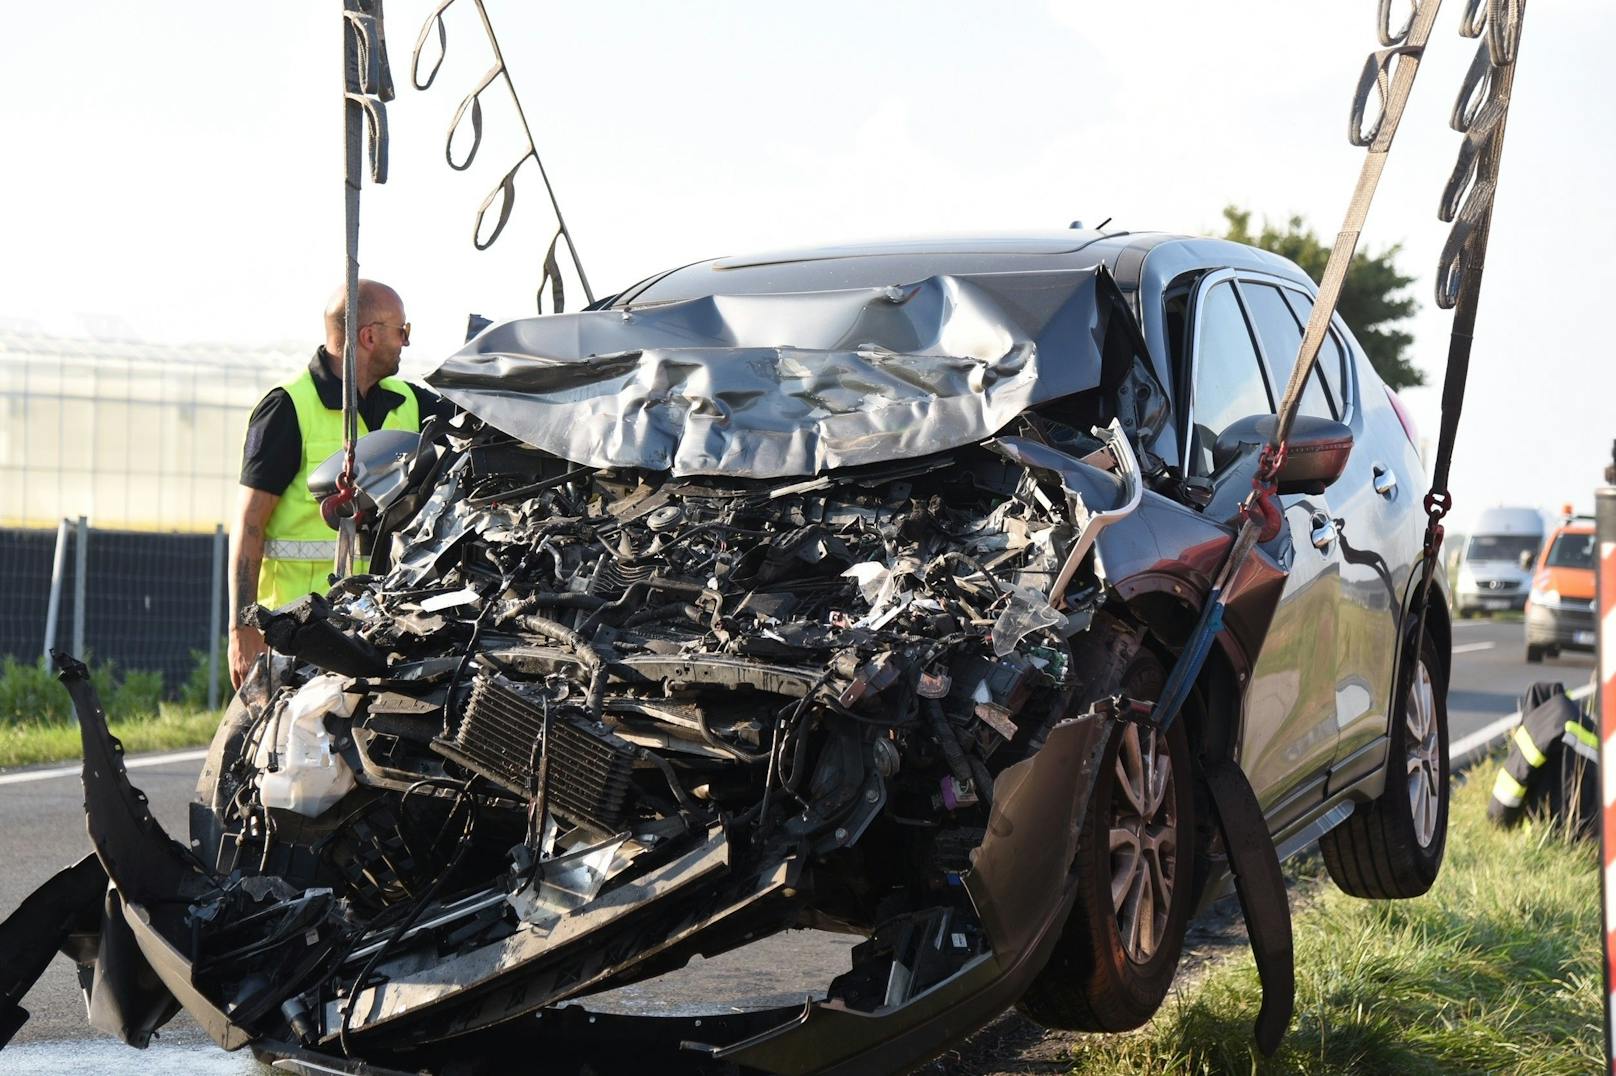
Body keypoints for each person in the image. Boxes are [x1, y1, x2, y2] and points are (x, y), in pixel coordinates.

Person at [229, 280, 454, 688]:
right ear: (369, 336)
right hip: (296, 636)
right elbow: (249, 524)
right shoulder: (288, 408)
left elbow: (483, 419)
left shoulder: (411, 402)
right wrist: (241, 630)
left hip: (379, 628)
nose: (406, 342)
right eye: (402, 331)